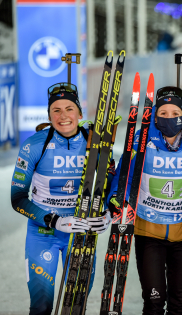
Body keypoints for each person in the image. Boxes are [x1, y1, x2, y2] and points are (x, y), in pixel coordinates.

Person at [106, 86, 182, 314]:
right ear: (155, 116)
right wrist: (116, 199)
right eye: (163, 113)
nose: (169, 118)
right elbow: (126, 175)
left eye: (174, 113)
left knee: (180, 302)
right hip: (148, 233)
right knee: (154, 300)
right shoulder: (141, 141)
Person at [10, 82, 114, 315]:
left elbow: (109, 185)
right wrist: (54, 220)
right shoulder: (35, 145)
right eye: (56, 110)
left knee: (75, 306)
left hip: (80, 233)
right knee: (42, 305)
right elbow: (17, 198)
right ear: (49, 114)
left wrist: (108, 213)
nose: (63, 116)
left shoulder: (95, 142)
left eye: (69, 108)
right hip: (42, 233)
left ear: (79, 113)